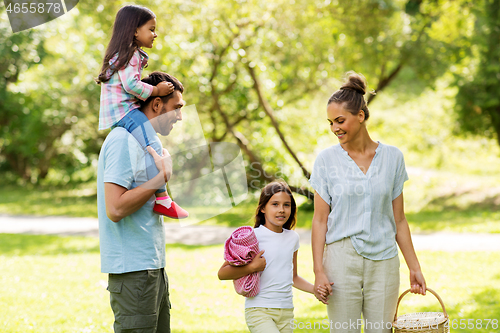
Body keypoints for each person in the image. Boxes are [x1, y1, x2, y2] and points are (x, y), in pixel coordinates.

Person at [309, 71, 426, 333]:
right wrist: (318, 270)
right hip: (340, 260)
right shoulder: (326, 160)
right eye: (330, 122)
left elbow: (399, 220)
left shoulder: (393, 158)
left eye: (340, 120)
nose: (334, 128)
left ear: (360, 116)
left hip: (384, 261)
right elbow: (319, 220)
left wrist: (414, 267)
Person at [97, 71, 186, 333]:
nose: (180, 116)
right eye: (177, 108)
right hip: (133, 271)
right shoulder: (123, 139)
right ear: (157, 104)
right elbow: (115, 208)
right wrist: (161, 177)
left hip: (152, 267)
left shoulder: (149, 141)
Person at [96, 4, 187, 219]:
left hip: (122, 110)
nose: (155, 34)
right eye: (151, 29)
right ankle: (164, 199)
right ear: (135, 30)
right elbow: (131, 85)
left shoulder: (126, 55)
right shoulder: (131, 56)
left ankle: (163, 198)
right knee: (152, 145)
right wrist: (156, 89)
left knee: (150, 143)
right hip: (124, 111)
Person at [218, 181, 322, 333]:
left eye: (286, 205)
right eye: (275, 204)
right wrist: (252, 267)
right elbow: (222, 273)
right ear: (262, 208)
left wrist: (315, 290)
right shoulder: (252, 237)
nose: (281, 210)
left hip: (286, 311)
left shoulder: (293, 238)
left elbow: (293, 277)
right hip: (259, 310)